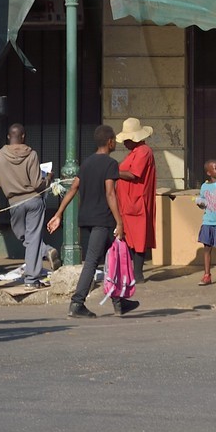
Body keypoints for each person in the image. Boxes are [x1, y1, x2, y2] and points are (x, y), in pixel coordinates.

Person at [48, 124, 133, 318]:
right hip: (102, 220)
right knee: (93, 261)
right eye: (114, 142)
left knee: (116, 257)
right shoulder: (110, 164)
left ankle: (119, 301)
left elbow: (73, 188)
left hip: (88, 218)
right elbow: (110, 193)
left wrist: (59, 213)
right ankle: (77, 303)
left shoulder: (86, 163)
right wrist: (119, 222)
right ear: (110, 142)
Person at [0, 122, 49, 288]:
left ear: (9, 136)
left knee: (24, 235)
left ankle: (32, 275)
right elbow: (37, 183)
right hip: (33, 200)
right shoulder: (32, 155)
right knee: (33, 239)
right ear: (23, 136)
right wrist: (48, 179)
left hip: (14, 202)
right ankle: (41, 258)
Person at [113, 117, 157, 303]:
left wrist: (112, 171)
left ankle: (137, 273)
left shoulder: (143, 151)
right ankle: (132, 272)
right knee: (130, 237)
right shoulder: (135, 152)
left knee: (137, 237)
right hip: (129, 201)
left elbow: (133, 174)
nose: (124, 142)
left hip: (136, 200)